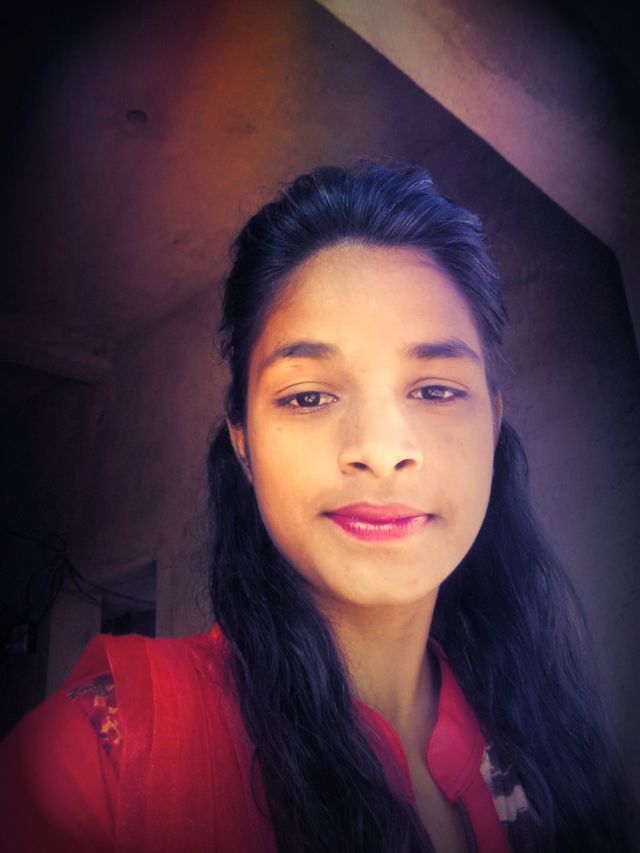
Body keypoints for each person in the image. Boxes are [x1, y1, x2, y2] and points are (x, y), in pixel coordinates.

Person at [0, 163, 632, 852]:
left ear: (493, 424)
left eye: (436, 390)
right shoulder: (104, 759)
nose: (381, 451)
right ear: (242, 442)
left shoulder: (548, 742)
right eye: (308, 396)